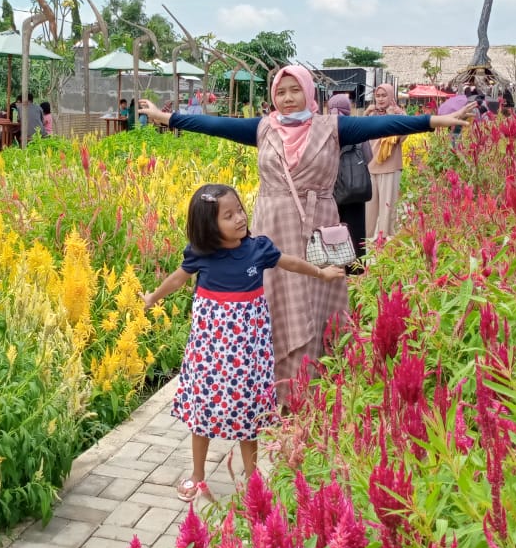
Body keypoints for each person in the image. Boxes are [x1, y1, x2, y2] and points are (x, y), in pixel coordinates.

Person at [137, 66, 474, 402]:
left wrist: (436, 121)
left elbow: (385, 125)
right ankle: (275, 387)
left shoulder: (332, 127)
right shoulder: (263, 128)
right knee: (275, 301)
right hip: (274, 227)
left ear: (309, 91)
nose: (287, 98)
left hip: (320, 229)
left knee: (319, 299)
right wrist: (166, 117)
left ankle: (315, 387)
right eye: (280, 92)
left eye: (294, 90)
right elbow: (214, 125)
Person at [143, 183, 343, 500]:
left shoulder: (257, 249)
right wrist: (153, 297)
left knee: (249, 412)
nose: (239, 218)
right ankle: (197, 474)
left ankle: (252, 480)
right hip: (210, 352)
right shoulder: (201, 255)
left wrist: (321, 273)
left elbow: (290, 262)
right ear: (209, 226)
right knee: (204, 409)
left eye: (239, 210)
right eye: (228, 215)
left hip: (249, 352)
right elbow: (178, 278)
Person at [330, 94, 371, 267]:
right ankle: (357, 269)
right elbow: (369, 157)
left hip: (332, 190)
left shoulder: (324, 128)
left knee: (335, 228)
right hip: (355, 190)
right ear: (348, 108)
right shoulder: (357, 128)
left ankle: (338, 266)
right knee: (356, 229)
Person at [365, 83, 406, 243]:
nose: (380, 99)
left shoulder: (399, 115)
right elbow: (361, 136)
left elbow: (401, 138)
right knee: (368, 208)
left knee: (388, 208)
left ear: (391, 96)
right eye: (378, 96)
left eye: (384, 95)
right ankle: (366, 240)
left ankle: (385, 242)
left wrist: (391, 118)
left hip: (390, 167)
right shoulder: (371, 114)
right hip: (371, 166)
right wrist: (365, 115)